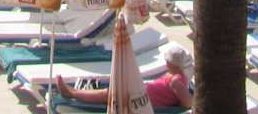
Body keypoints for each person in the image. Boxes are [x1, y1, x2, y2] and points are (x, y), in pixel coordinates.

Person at [54, 46, 193, 109]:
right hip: (139, 94)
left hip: (138, 102)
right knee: (109, 90)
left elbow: (187, 103)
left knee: (107, 94)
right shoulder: (175, 76)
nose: (166, 62)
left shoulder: (176, 81)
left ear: (173, 63)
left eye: (168, 61)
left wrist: (170, 107)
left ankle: (71, 93)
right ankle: (74, 92)